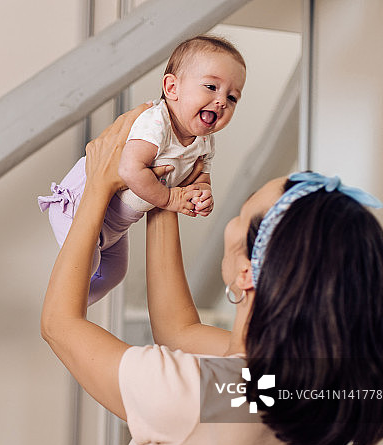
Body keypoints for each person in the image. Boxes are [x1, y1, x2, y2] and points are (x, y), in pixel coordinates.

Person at [40, 102, 383, 445]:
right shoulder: (304, 386)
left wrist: (97, 185)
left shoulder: (200, 396)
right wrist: (169, 190)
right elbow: (178, 330)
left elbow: (60, 325)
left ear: (246, 273)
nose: (233, 217)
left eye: (239, 215)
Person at [37, 35, 246, 305]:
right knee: (85, 265)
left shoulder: (205, 141)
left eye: (232, 97)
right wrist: (171, 199)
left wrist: (203, 192)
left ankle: (76, 307)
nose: (221, 102)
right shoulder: (156, 122)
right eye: (210, 87)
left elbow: (201, 175)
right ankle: (63, 304)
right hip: (78, 206)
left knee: (114, 274)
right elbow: (130, 169)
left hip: (116, 226)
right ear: (172, 87)